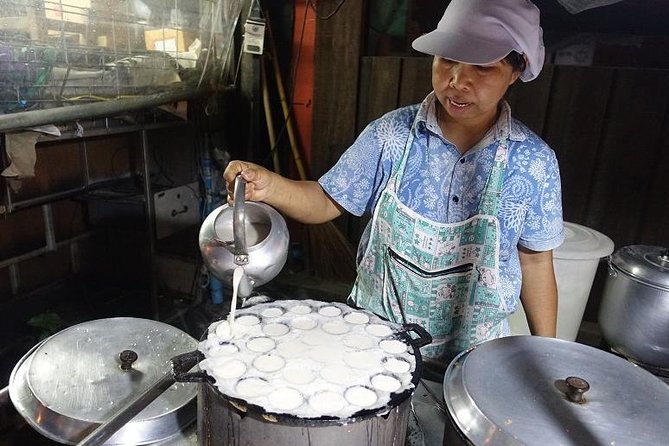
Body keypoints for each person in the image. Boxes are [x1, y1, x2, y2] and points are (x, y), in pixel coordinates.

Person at [224, 0, 564, 367]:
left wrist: (548, 359)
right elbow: (326, 200)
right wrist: (269, 186)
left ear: (516, 71)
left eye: (482, 67)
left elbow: (535, 264)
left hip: (475, 362)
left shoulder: (534, 163)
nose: (457, 81)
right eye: (446, 59)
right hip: (373, 343)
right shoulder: (391, 136)